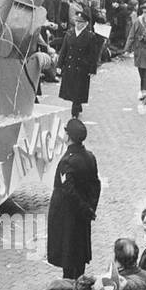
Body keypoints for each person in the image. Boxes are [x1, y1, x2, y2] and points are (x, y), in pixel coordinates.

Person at [46, 118, 101, 279]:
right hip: (83, 214)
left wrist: (84, 208)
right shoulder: (89, 156)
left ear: (68, 136)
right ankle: (79, 279)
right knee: (79, 250)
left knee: (68, 251)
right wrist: (90, 208)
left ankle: (69, 283)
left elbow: (68, 190)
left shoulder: (67, 161)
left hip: (68, 214)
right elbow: (96, 184)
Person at [55, 2, 101, 118]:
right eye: (76, 21)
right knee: (72, 91)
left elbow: (93, 54)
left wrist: (92, 68)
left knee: (78, 90)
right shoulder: (69, 34)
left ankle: (74, 113)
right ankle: (77, 104)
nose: (77, 24)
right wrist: (59, 66)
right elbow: (63, 51)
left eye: (80, 22)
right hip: (70, 65)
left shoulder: (90, 36)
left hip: (82, 67)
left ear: (85, 24)